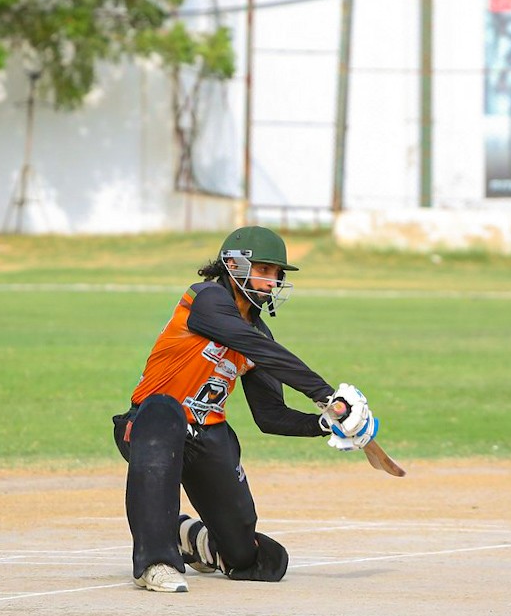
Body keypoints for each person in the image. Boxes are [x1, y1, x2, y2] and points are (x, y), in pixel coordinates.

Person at [112, 226, 378, 593]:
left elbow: (270, 416)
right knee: (162, 409)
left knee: (245, 557)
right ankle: (155, 561)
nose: (271, 281)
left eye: (276, 274)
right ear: (234, 265)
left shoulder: (260, 336)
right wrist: (326, 394)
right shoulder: (206, 299)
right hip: (150, 426)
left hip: (207, 436)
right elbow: (251, 344)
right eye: (264, 270)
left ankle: (187, 535)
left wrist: (325, 422)